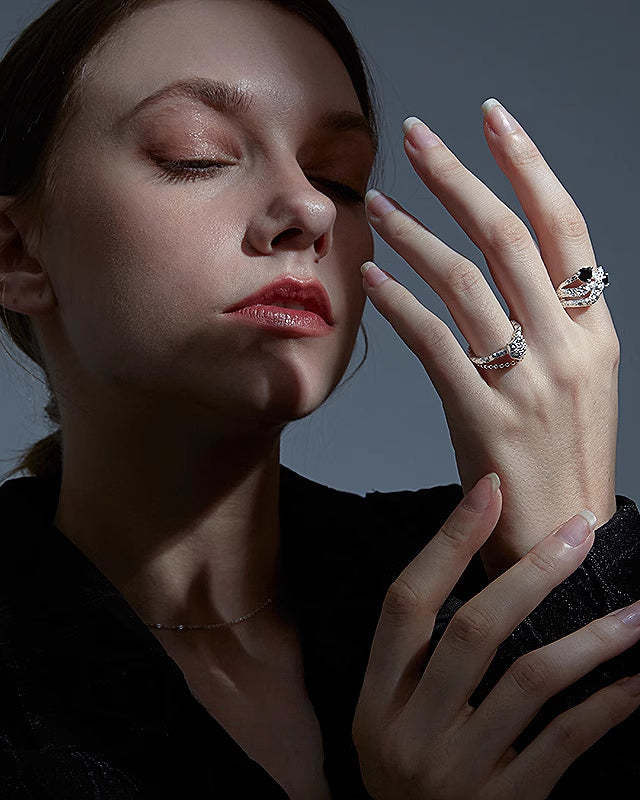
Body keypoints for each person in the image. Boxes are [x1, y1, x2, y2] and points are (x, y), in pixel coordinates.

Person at [0, 0, 638, 798]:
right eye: (197, 156)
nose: (309, 208)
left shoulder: (476, 587)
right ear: (18, 253)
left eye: (338, 177)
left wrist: (572, 548)